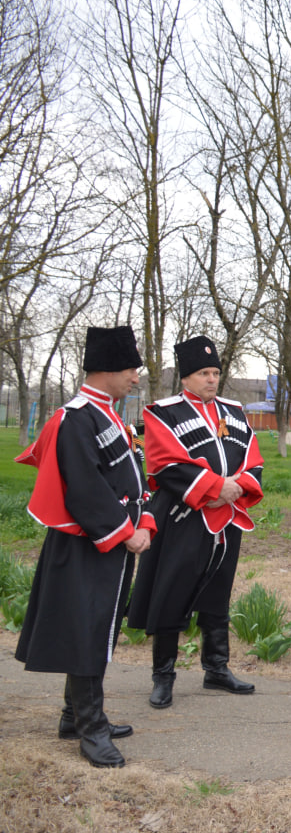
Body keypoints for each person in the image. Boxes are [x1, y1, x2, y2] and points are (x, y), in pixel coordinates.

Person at [15, 326, 153, 768]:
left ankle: (75, 716)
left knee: (97, 628)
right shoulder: (77, 417)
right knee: (87, 630)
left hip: (107, 544)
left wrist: (144, 519)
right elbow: (85, 489)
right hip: (86, 544)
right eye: (131, 369)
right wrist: (124, 531)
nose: (136, 377)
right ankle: (90, 729)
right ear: (108, 369)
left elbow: (130, 476)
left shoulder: (108, 413)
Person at [128, 336, 264, 709]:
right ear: (186, 377)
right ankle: (164, 676)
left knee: (218, 591)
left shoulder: (234, 410)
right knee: (173, 590)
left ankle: (216, 668)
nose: (211, 379)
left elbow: (253, 458)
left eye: (216, 372)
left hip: (227, 517)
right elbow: (164, 463)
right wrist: (216, 486)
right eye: (204, 373)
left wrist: (237, 487)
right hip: (184, 516)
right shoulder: (162, 412)